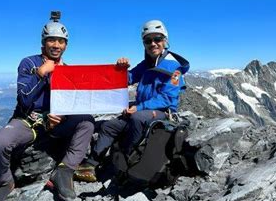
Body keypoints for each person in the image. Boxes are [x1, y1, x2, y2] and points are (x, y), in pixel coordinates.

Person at [0, 11, 95, 201]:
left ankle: (64, 171)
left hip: (56, 124)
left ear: (66, 45)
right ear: (43, 43)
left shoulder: (68, 70)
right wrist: (41, 74)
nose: (56, 45)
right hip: (28, 121)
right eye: (51, 40)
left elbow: (73, 102)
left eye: (61, 41)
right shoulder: (29, 63)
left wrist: (61, 117)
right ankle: (4, 184)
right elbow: (24, 98)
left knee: (87, 122)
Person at [74, 20, 190, 182]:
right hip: (142, 110)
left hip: (162, 113)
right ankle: (90, 164)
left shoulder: (173, 67)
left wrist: (139, 107)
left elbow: (167, 98)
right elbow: (127, 78)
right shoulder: (146, 65)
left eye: (157, 39)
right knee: (109, 126)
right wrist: (120, 69)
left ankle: (127, 159)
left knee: (137, 118)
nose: (153, 44)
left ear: (165, 41)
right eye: (148, 40)